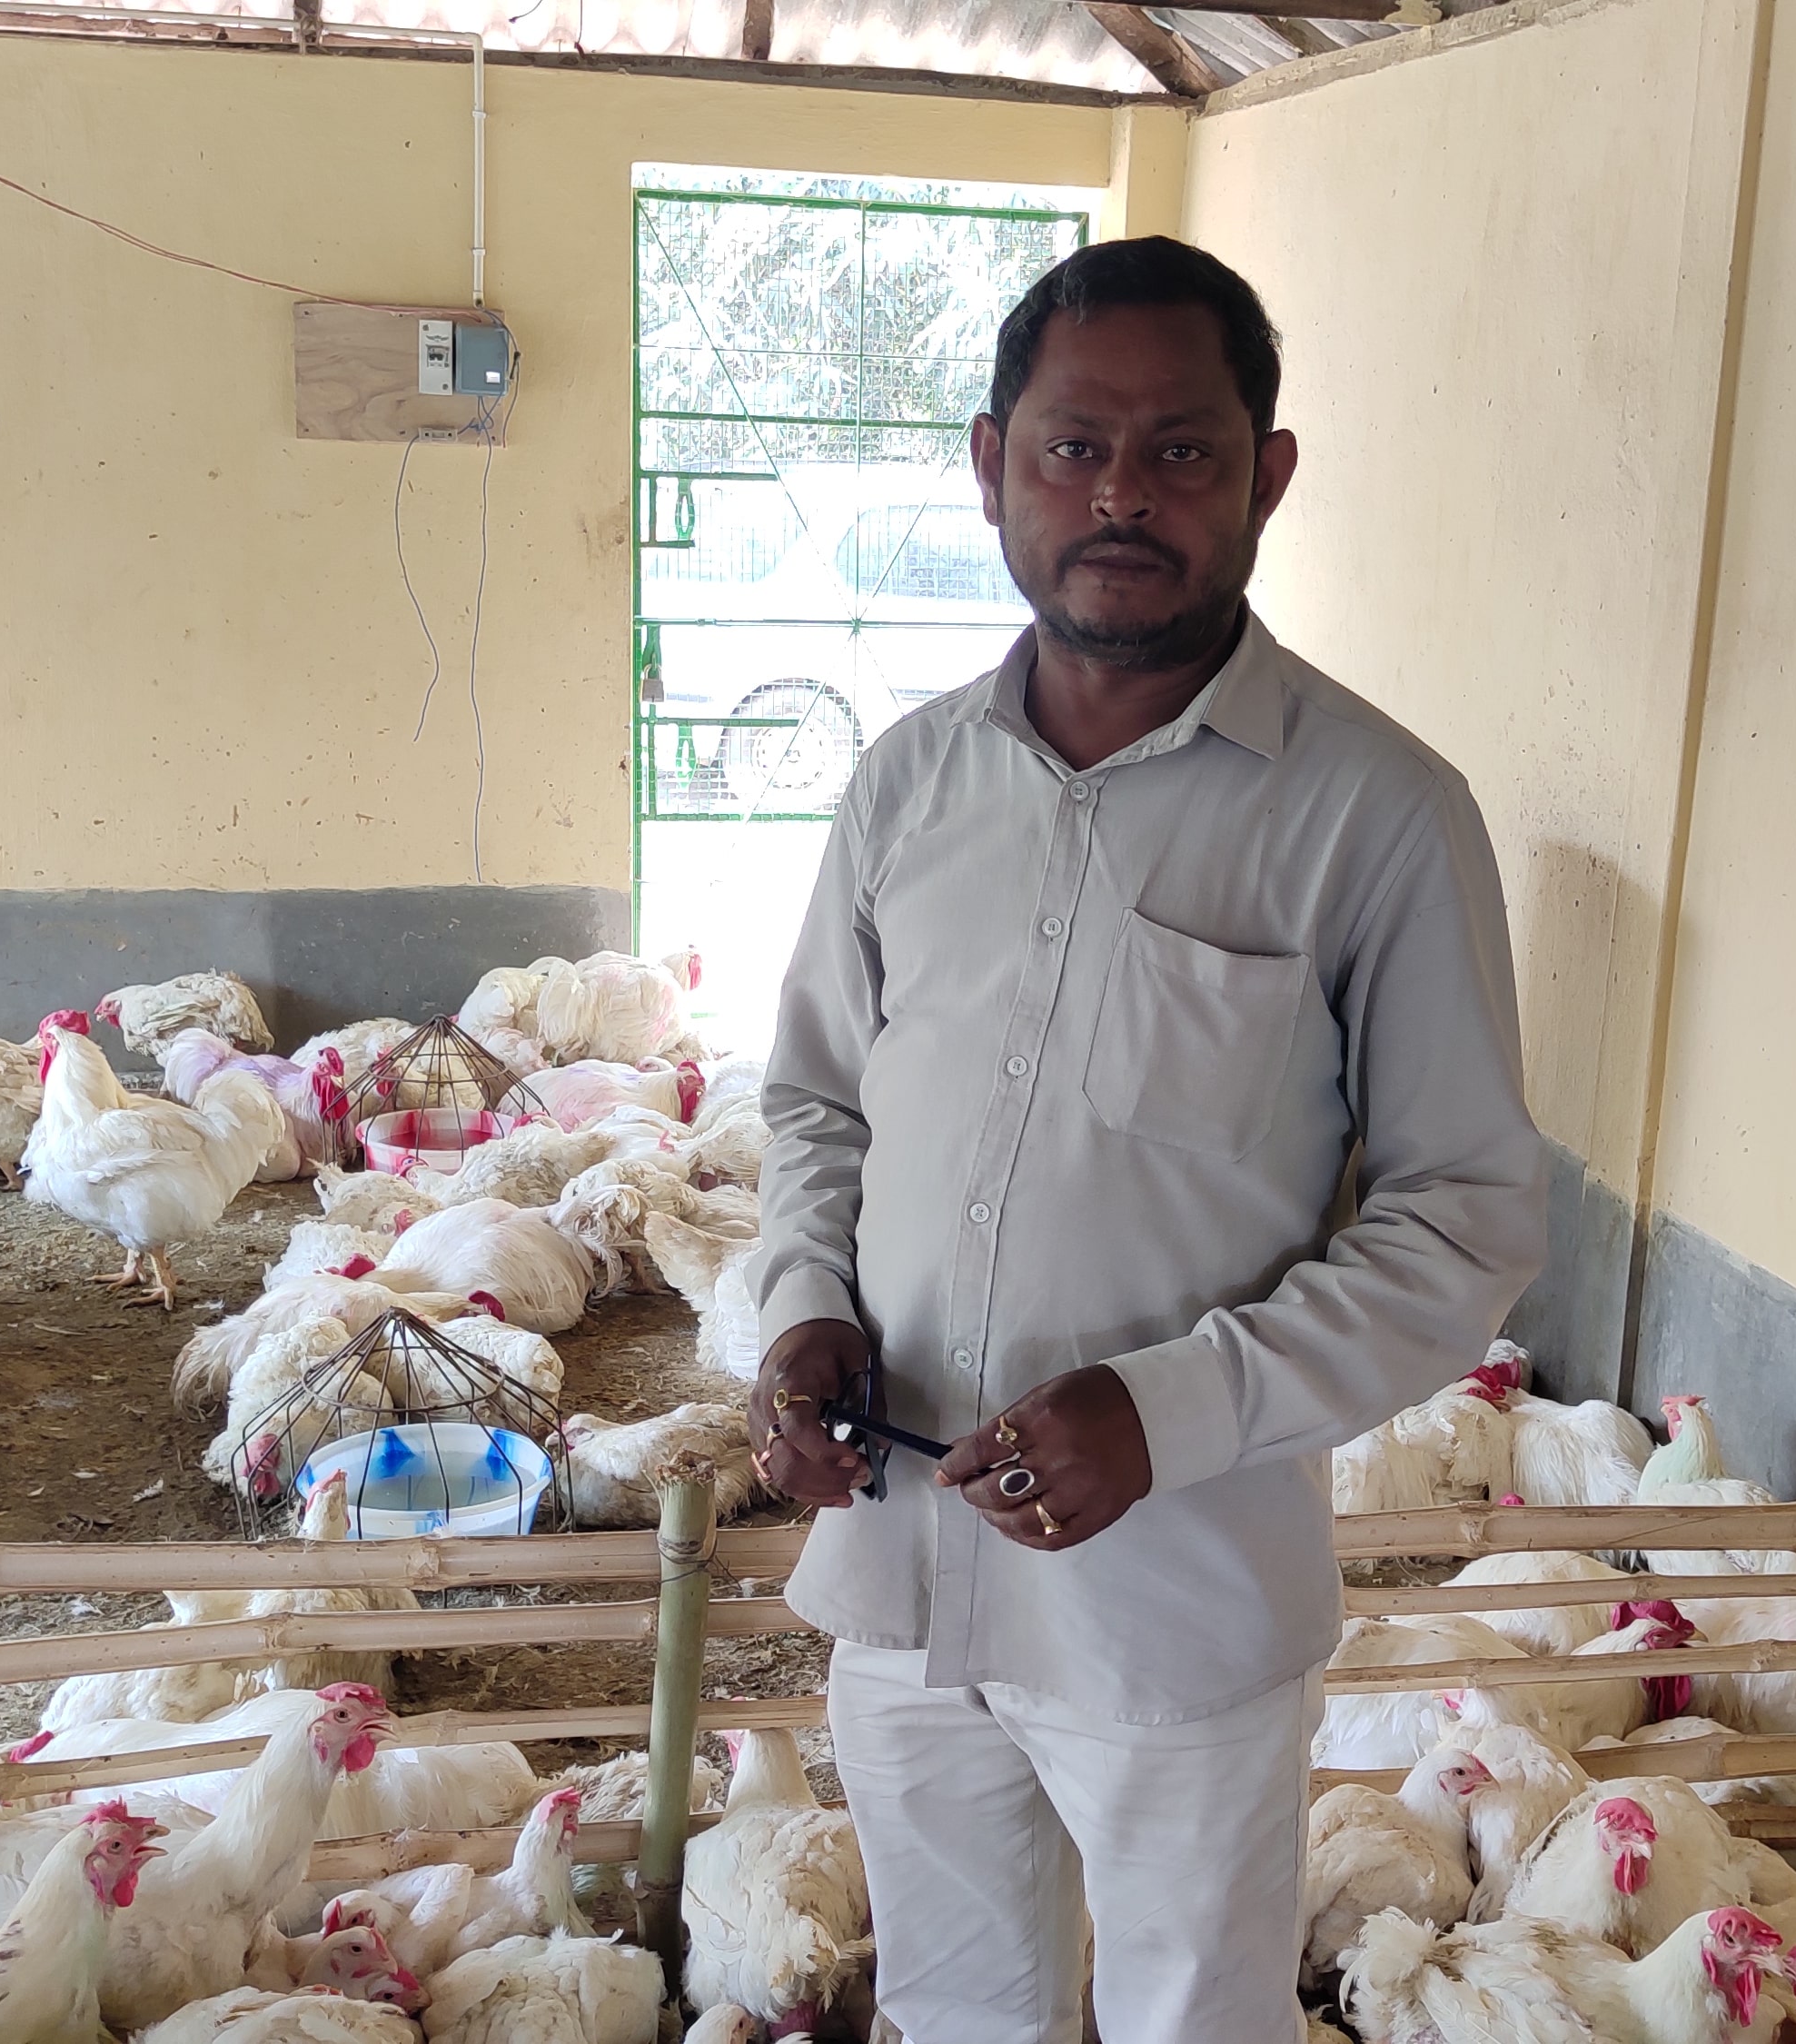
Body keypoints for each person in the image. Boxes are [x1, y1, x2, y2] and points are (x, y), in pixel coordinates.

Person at [745, 236, 1547, 2044]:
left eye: (1179, 451)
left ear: (1265, 474)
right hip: (895, 1571)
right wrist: (802, 1305)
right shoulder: (907, 785)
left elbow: (1463, 1221)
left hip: (1169, 1611)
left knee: (1193, 2017)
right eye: (1068, 447)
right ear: (988, 466)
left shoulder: (1378, 820)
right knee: (954, 2010)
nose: (1117, 495)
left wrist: (1162, 1412)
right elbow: (814, 1097)